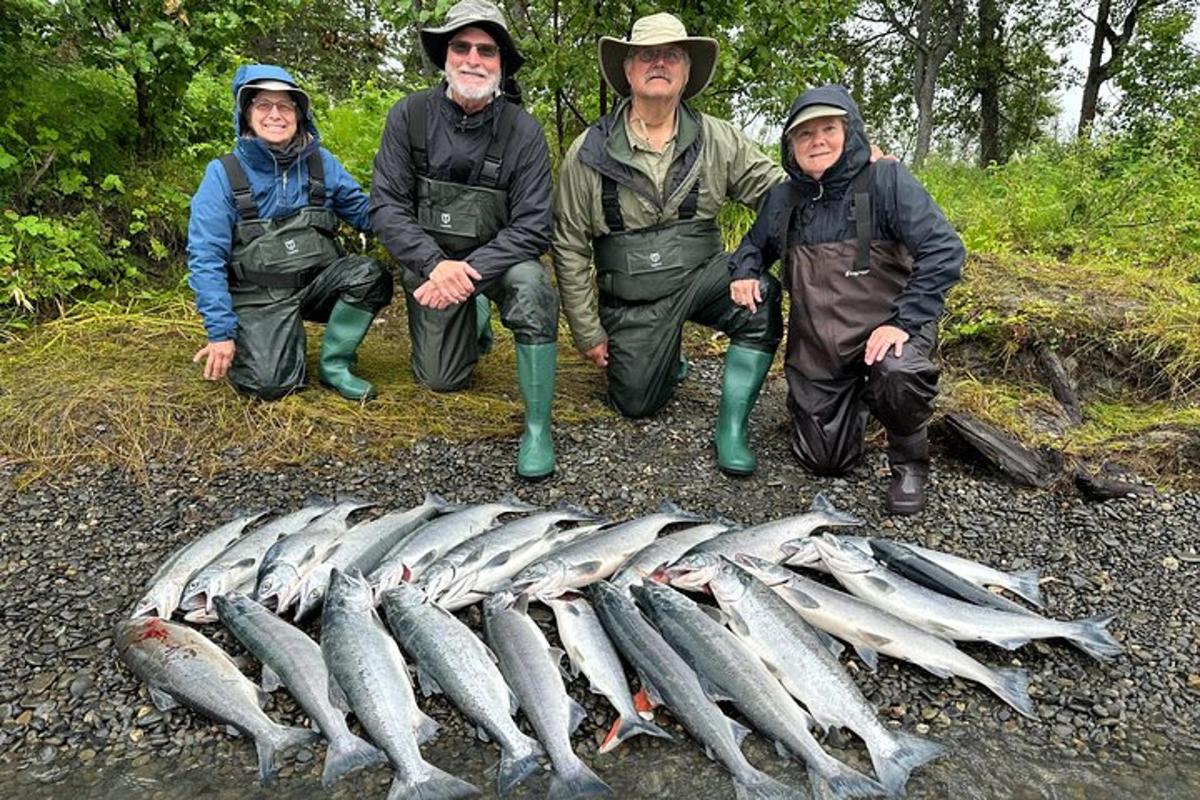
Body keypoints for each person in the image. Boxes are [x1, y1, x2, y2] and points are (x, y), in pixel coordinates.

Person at [553, 12, 786, 476]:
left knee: (762, 298)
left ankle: (732, 428)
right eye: (646, 55)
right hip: (631, 296)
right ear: (627, 69)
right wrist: (587, 330)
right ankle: (664, 353)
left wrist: (852, 172)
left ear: (686, 71)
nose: (658, 63)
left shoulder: (719, 138)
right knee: (635, 403)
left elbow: (781, 196)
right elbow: (570, 243)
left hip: (702, 279)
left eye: (671, 55)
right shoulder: (588, 150)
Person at [730, 85, 965, 514]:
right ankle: (856, 402)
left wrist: (904, 322)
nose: (817, 140)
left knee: (897, 370)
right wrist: (745, 271)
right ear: (791, 145)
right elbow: (751, 246)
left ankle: (910, 462)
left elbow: (945, 250)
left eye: (828, 129)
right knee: (824, 462)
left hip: (887, 332)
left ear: (850, 132)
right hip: (820, 348)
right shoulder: (782, 199)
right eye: (805, 134)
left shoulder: (886, 179)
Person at [370, 0, 558, 479]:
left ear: (500, 63)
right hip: (431, 264)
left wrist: (468, 274)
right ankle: (470, 323)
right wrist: (436, 264)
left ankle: (537, 427)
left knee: (533, 287)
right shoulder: (408, 116)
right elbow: (387, 208)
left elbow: (535, 225)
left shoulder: (525, 131)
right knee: (440, 380)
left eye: (486, 50)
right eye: (461, 47)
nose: (473, 58)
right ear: (445, 56)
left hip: (495, 267)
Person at [187, 64, 393, 401]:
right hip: (257, 295)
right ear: (245, 113)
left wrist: (412, 223)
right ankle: (269, 339)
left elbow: (368, 215)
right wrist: (220, 332)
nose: (275, 115)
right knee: (270, 386)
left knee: (369, 275)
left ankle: (335, 365)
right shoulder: (222, 174)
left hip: (315, 286)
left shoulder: (322, 162)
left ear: (299, 113)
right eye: (263, 105)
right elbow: (205, 256)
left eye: (285, 105)